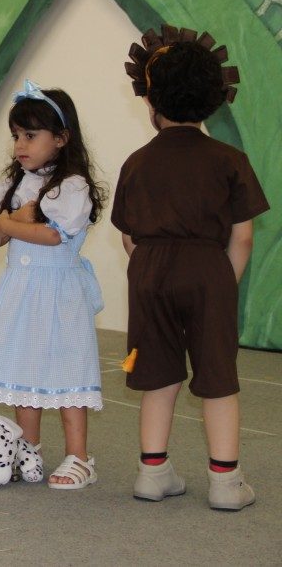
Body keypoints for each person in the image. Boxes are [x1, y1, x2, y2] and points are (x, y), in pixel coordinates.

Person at [114, 26, 269, 511]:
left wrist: (149, 272)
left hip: (150, 268)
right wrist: (224, 282)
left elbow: (128, 236)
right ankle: (225, 483)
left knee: (159, 375)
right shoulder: (230, 159)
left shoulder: (137, 162)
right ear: (213, 100)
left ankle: (152, 472)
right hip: (208, 269)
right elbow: (242, 236)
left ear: (150, 100)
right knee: (218, 378)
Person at [0, 80, 106, 488]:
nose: (19, 145)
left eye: (30, 135)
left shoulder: (71, 186)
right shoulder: (14, 185)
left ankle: (79, 457)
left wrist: (11, 222)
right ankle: (29, 448)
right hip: (22, 290)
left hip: (58, 292)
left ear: (61, 138)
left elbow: (52, 235)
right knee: (25, 373)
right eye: (15, 136)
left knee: (65, 373)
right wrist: (9, 223)